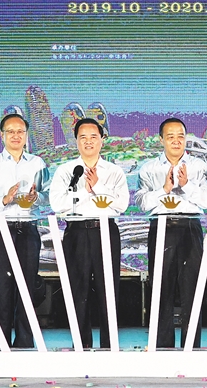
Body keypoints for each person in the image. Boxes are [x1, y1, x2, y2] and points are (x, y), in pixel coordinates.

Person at [49, 118, 129, 349]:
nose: (88, 141)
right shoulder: (66, 171)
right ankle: (81, 347)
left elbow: (121, 205)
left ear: (102, 140)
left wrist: (98, 187)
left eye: (93, 137)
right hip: (76, 233)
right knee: (77, 291)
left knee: (108, 291)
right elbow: (58, 204)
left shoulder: (114, 171)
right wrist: (86, 190)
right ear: (76, 141)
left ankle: (109, 347)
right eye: (83, 137)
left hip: (105, 231)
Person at [135, 118, 207, 348]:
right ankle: (163, 347)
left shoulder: (199, 166)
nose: (176, 141)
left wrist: (186, 185)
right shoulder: (149, 168)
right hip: (161, 227)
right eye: (170, 137)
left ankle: (191, 348)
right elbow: (142, 203)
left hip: (190, 226)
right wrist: (164, 189)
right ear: (161, 140)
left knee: (192, 291)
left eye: (180, 136)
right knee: (161, 291)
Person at [0, 113, 49, 348]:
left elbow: (49, 196)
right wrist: (4, 200)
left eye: (20, 131)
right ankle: (0, 345)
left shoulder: (38, 163)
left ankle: (25, 343)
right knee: (1, 290)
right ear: (2, 135)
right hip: (1, 230)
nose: (16, 136)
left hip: (28, 230)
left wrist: (36, 197)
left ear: (26, 135)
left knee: (27, 289)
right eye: (11, 131)